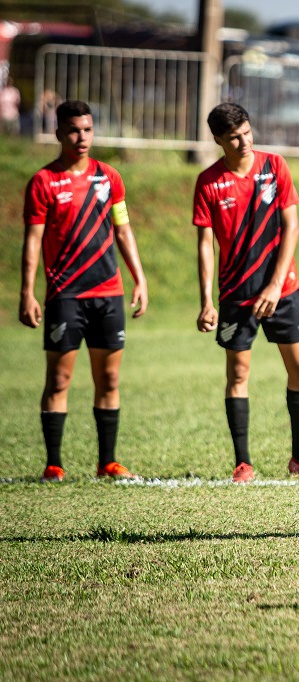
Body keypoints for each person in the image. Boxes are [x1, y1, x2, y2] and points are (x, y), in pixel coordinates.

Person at [192, 103, 299, 483]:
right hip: (236, 295)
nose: (243, 142)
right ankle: (243, 463)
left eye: (246, 132)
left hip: (283, 289)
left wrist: (275, 285)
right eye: (233, 137)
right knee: (238, 373)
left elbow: (291, 228)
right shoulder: (208, 182)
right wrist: (207, 300)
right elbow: (205, 245)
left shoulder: (275, 166)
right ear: (218, 140)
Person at [20, 100, 149, 482]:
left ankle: (107, 462)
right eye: (74, 130)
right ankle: (54, 464)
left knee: (108, 381)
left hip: (108, 295)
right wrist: (27, 292)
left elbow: (123, 229)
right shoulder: (43, 181)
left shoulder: (109, 177)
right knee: (58, 381)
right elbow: (32, 242)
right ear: (59, 133)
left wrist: (139, 278)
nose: (82, 137)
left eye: (88, 129)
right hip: (65, 296)